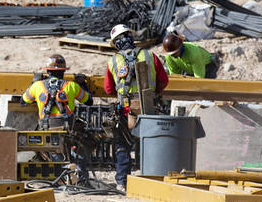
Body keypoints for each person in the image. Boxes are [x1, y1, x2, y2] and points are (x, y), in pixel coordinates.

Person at [103, 24, 169, 193]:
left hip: (126, 110)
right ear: (132, 37)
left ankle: (122, 182)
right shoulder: (150, 55)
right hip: (148, 107)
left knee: (123, 145)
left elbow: (109, 89)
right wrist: (153, 94)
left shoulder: (113, 61)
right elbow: (163, 80)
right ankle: (148, 180)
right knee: (148, 143)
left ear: (116, 44)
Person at [20, 54, 93, 184]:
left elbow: (23, 101)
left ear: (48, 71)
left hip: (45, 131)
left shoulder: (38, 86)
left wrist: (34, 82)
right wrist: (82, 84)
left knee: (47, 152)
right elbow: (89, 101)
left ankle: (56, 177)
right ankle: (81, 178)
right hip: (67, 132)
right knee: (84, 142)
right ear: (63, 71)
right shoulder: (72, 86)